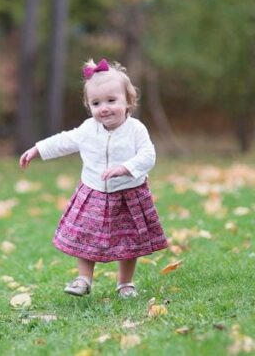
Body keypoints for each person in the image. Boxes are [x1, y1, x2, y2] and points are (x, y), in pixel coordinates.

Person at [19, 59, 168, 298]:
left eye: (112, 100)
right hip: (93, 192)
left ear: (128, 101)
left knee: (129, 241)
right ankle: (83, 279)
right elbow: (64, 140)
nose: (104, 108)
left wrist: (126, 168)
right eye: (96, 103)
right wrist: (38, 149)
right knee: (85, 235)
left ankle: (125, 283)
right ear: (89, 106)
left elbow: (148, 155)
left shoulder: (136, 130)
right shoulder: (89, 129)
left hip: (129, 194)